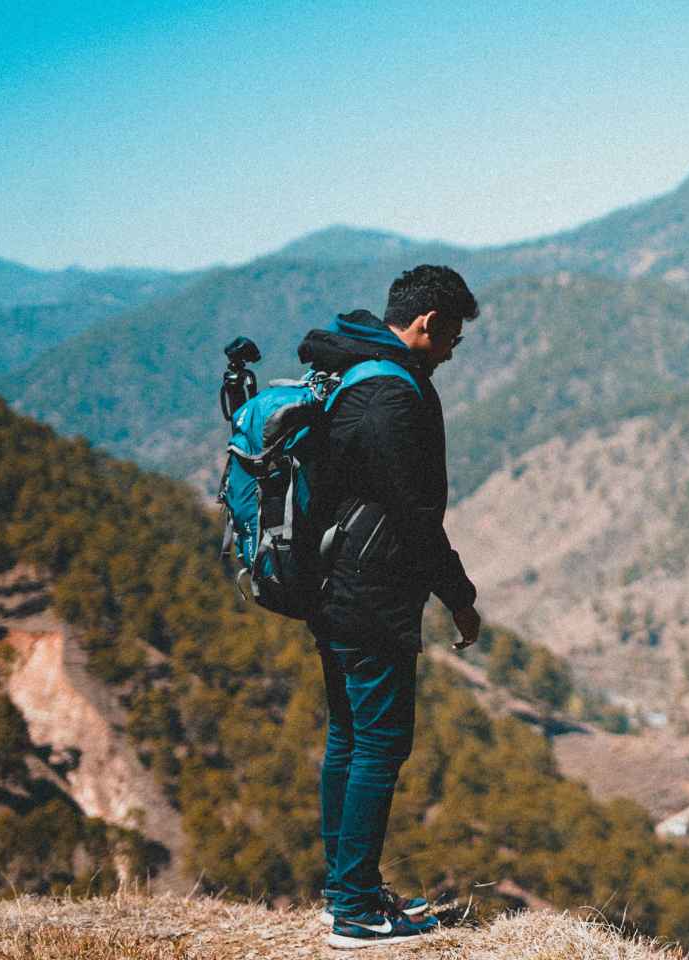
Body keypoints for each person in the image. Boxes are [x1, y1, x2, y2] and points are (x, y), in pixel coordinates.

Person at [295, 264, 483, 949]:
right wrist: (460, 599)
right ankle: (355, 912)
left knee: (348, 736)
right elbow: (414, 517)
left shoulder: (357, 372)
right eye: (454, 334)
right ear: (427, 323)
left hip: (332, 583)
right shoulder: (392, 397)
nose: (455, 349)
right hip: (369, 593)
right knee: (379, 742)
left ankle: (348, 890)